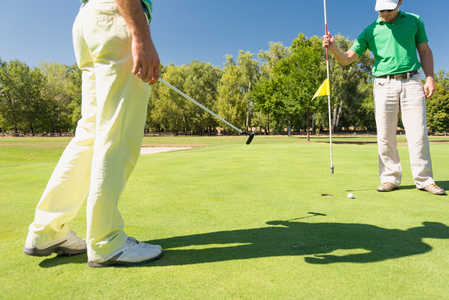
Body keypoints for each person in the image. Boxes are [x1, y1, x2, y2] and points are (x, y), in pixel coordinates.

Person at [23, 0, 163, 267]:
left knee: (91, 132)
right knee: (117, 131)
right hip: (117, 15)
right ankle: (106, 241)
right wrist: (141, 36)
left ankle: (47, 230)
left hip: (89, 19)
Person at [322, 0, 445, 195]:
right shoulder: (370, 30)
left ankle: (424, 180)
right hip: (383, 84)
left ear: (399, 3)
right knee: (386, 135)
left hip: (412, 81)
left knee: (418, 133)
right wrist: (334, 48)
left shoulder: (414, 21)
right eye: (381, 9)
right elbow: (347, 59)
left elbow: (424, 51)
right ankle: (390, 178)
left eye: (388, 9)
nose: (384, 13)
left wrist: (429, 77)